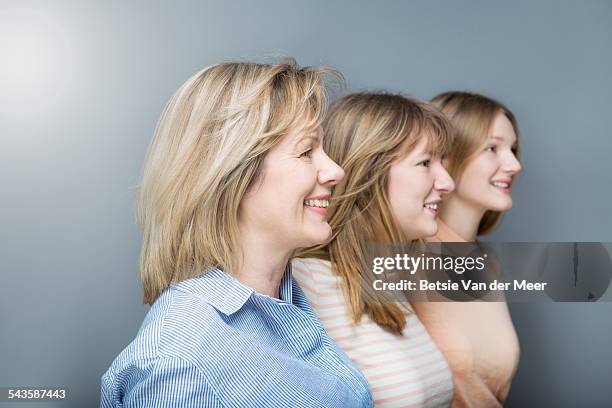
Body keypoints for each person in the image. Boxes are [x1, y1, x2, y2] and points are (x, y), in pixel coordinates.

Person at [100, 60, 374, 407]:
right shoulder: (180, 365)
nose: (336, 170)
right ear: (234, 175)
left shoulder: (285, 299)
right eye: (306, 151)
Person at [293, 92, 456, 407]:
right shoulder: (307, 282)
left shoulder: (385, 275)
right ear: (370, 174)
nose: (447, 182)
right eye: (425, 163)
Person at [411, 91, 523, 407]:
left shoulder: (485, 264)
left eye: (513, 149)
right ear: (448, 155)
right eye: (492, 148)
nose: (514, 164)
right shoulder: (407, 259)